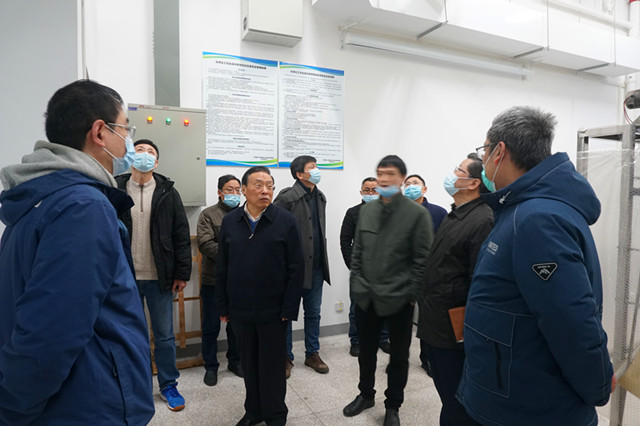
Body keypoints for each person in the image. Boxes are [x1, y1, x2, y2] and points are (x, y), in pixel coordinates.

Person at [0, 79, 154, 425]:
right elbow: (51, 330)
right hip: (88, 402)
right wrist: (11, 409)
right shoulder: (82, 206)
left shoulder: (40, 197)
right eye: (125, 130)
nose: (128, 142)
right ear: (100, 133)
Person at [457, 106, 615, 425]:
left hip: (529, 406)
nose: (483, 160)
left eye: (484, 151)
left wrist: (597, 386)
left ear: (499, 151)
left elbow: (570, 318)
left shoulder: (537, 220)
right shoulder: (520, 210)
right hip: (511, 390)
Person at [344, 155, 432, 426]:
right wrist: (357, 284)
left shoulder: (417, 214)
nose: (383, 178)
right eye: (380, 173)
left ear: (402, 179)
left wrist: (410, 295)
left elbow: (422, 260)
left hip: (399, 299)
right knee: (366, 353)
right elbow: (358, 251)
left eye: (390, 174)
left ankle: (393, 405)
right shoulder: (367, 211)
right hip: (366, 297)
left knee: (398, 357)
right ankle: (365, 394)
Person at [216, 166, 304, 426]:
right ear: (244, 190)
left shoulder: (285, 220)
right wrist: (223, 305)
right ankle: (253, 411)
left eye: (269, 185)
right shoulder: (230, 221)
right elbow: (223, 266)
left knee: (273, 367)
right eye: (258, 185)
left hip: (274, 311)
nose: (265, 190)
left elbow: (296, 268)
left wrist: (289, 308)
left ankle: (276, 415)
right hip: (240, 308)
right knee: (249, 364)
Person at [115, 139, 192, 412]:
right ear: (129, 157)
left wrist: (181, 273)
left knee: (164, 336)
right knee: (129, 336)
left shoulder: (168, 192)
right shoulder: (114, 189)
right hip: (124, 278)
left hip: (161, 277)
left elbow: (181, 234)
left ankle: (169, 385)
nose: (145, 155)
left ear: (156, 162)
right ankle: (136, 386)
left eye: (151, 153)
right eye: (140, 151)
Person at [417, 154, 493, 426]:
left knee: (457, 401)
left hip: (453, 332)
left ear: (473, 183)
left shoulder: (483, 220)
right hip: (435, 324)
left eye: (457, 170)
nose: (451, 174)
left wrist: (465, 335)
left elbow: (479, 286)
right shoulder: (456, 214)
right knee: (447, 395)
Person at [274, 155, 331, 377]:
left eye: (317, 166)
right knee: (287, 314)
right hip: (292, 269)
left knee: (313, 312)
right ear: (299, 174)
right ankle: (285, 357)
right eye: (312, 167)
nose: (317, 171)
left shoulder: (321, 196)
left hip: (316, 265)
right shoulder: (287, 198)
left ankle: (312, 353)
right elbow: (274, 231)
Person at [197, 174, 244, 386]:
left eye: (237, 190)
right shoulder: (208, 214)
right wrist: (235, 254)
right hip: (213, 280)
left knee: (236, 325)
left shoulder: (246, 214)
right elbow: (205, 244)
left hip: (238, 281)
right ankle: (210, 366)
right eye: (229, 189)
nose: (234, 193)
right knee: (211, 326)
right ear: (219, 192)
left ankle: (235, 361)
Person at [339, 177, 390, 357]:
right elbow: (345, 241)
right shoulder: (353, 213)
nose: (370, 193)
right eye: (367, 190)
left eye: (374, 190)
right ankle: (356, 340)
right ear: (361, 192)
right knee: (357, 308)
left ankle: (383, 338)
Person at [403, 173, 447, 376]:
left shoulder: (439, 213)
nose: (411, 186)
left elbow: (445, 244)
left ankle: (427, 359)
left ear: (424, 189)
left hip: (430, 274)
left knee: (427, 320)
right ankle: (399, 358)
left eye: (415, 183)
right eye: (407, 184)